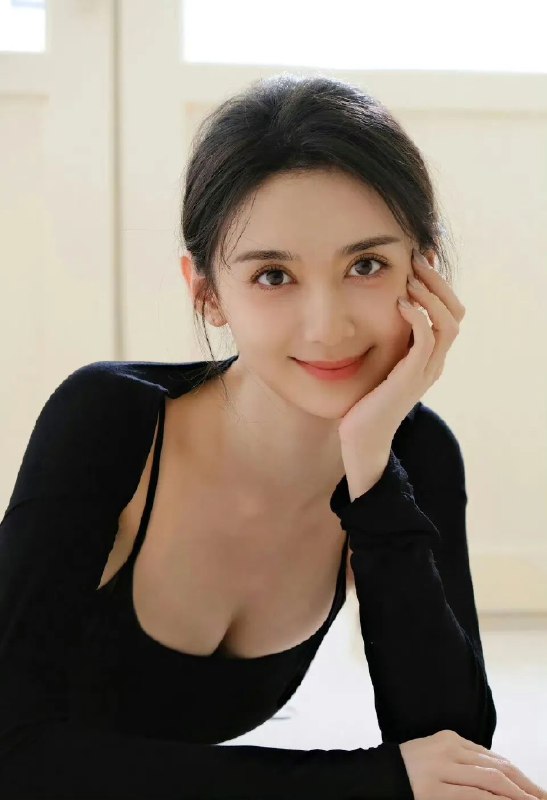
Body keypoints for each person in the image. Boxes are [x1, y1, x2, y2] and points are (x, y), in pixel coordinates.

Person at [0, 73, 502, 799]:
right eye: (273, 276)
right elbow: (12, 755)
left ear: (423, 272)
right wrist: (363, 782)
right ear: (206, 292)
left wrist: (371, 468)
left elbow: (454, 757)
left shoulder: (412, 454)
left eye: (366, 265)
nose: (327, 327)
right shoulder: (109, 421)